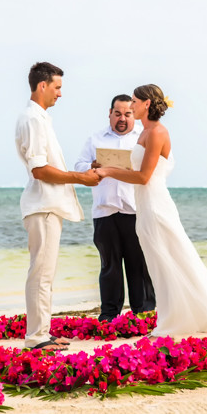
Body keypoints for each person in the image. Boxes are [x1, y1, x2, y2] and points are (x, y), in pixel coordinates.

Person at [95, 84, 207, 337]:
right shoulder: (145, 132)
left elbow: (144, 176)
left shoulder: (156, 133)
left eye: (134, 101)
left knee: (170, 259)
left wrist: (108, 171)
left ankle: (176, 319)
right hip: (144, 205)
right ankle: (174, 314)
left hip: (155, 205)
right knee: (158, 262)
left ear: (147, 105)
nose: (130, 106)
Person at [15, 62, 100, 351]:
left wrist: (86, 172)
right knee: (41, 273)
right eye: (57, 87)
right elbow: (39, 169)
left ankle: (43, 333)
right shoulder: (33, 119)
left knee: (45, 273)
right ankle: (37, 337)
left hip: (47, 204)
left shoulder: (40, 118)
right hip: (43, 204)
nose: (60, 94)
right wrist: (81, 178)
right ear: (42, 86)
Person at [74, 94, 156, 322]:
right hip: (105, 211)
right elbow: (79, 165)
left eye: (127, 114)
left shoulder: (142, 138)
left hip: (135, 211)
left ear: (134, 115)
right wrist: (91, 166)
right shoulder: (95, 138)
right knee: (109, 266)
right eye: (117, 113)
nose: (122, 118)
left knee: (138, 264)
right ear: (109, 113)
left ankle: (144, 313)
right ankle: (109, 315)